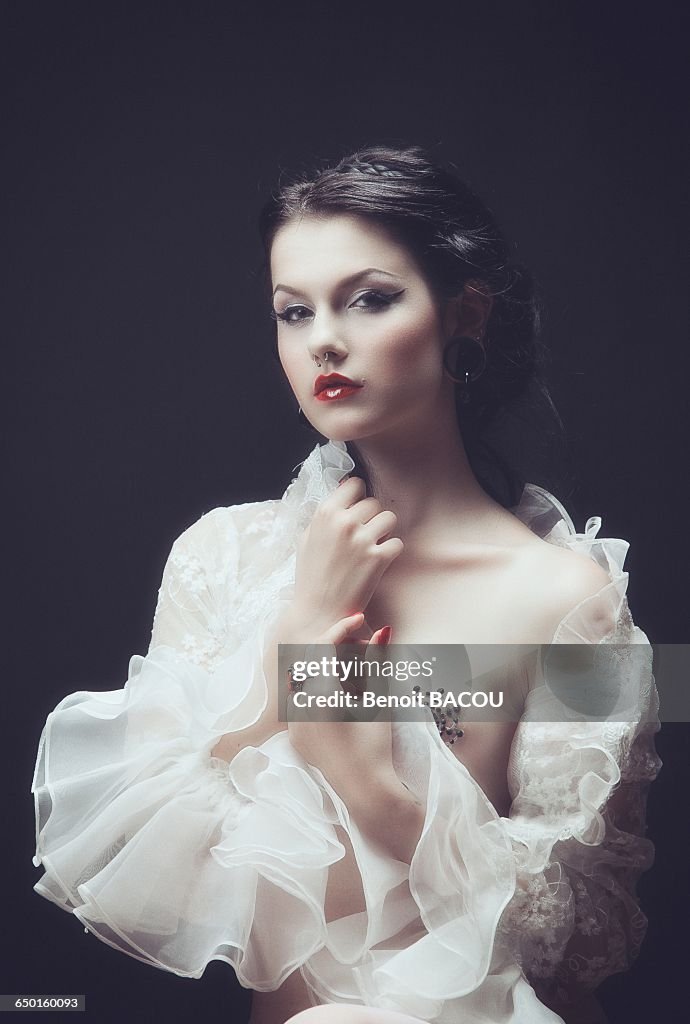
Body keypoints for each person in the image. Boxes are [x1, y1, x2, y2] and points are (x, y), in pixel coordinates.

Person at [31, 145, 662, 1024]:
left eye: (369, 298)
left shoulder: (581, 606)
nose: (324, 337)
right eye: (293, 312)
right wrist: (302, 639)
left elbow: (583, 937)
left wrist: (365, 781)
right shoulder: (223, 555)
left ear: (463, 314)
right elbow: (150, 840)